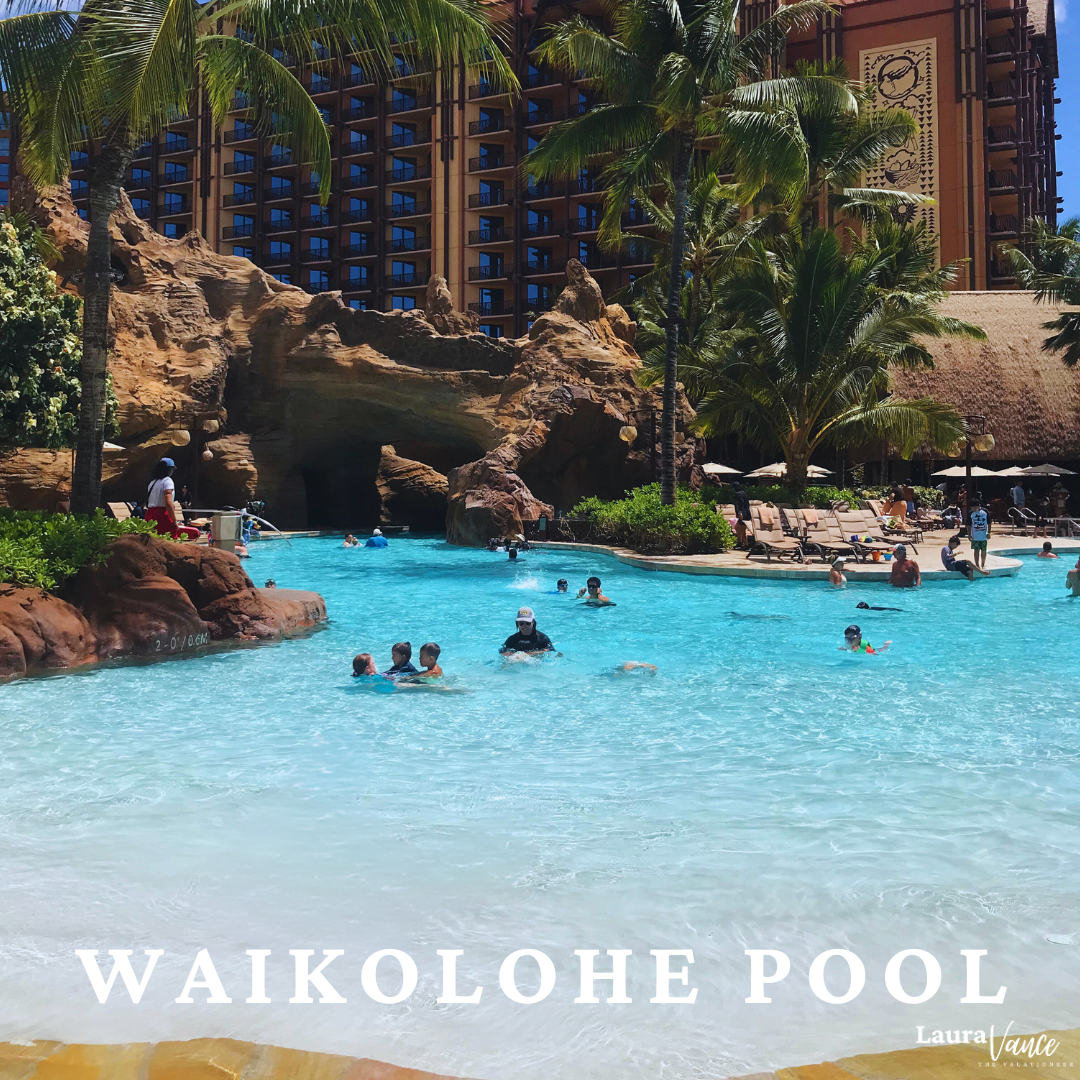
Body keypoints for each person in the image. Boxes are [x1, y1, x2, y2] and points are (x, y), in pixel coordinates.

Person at [145, 458, 201, 540]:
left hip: (150, 514)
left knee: (152, 540)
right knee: (169, 538)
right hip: (162, 514)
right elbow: (168, 502)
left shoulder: (152, 482)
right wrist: (175, 520)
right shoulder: (167, 481)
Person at [969, 500, 990, 569]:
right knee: (976, 550)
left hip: (983, 535)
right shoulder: (971, 513)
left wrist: (989, 532)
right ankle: (977, 564)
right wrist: (969, 535)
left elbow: (989, 522)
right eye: (972, 508)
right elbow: (968, 525)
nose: (974, 509)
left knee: (983, 550)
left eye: (975, 507)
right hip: (975, 535)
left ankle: (983, 564)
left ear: (979, 506)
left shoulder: (985, 512)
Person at [732, 482, 751, 549]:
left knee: (742, 530)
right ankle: (739, 542)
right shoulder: (743, 493)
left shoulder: (738, 494)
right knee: (737, 528)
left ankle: (746, 545)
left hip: (743, 514)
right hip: (746, 513)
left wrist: (740, 512)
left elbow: (741, 504)